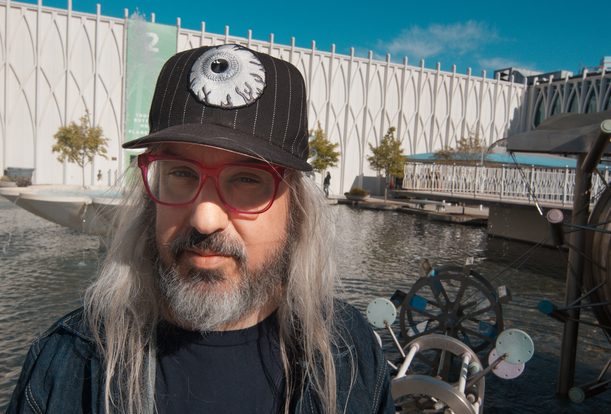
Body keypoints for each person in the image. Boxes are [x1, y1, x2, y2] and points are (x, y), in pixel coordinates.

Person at [7, 44, 394, 414]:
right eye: (181, 173)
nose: (204, 219)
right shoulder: (68, 361)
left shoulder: (349, 351)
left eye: (246, 179)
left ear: (295, 207)